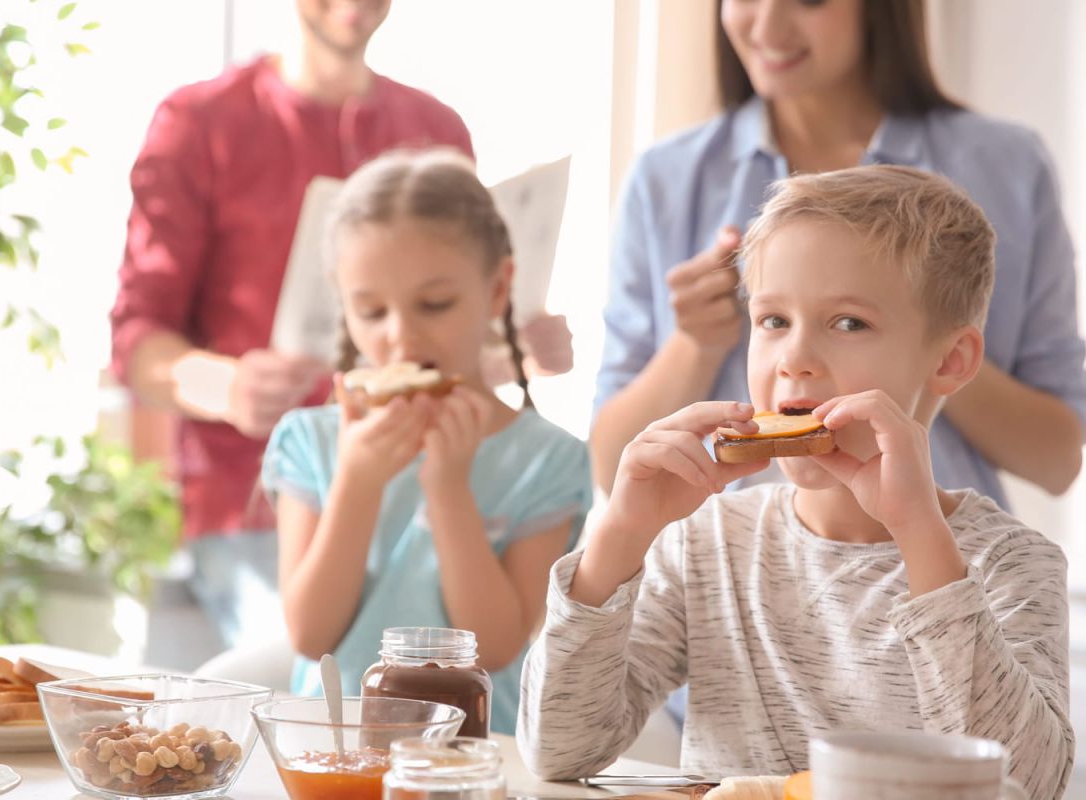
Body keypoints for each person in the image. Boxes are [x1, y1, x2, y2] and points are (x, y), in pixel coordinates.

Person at [519, 166, 1073, 800]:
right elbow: (558, 750)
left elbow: (1026, 782)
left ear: (949, 360)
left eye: (848, 324)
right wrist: (620, 533)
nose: (794, 357)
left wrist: (919, 533)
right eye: (773, 320)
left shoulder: (1009, 563)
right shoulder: (707, 545)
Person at [109, 0, 571, 652]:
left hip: (453, 481)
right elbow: (136, 339)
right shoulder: (200, 122)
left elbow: (449, 324)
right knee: (316, 660)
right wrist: (231, 387)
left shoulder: (437, 127)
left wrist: (509, 342)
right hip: (257, 502)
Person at [591, 0, 1086, 508]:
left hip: (942, 566)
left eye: (807, 1)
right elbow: (612, 470)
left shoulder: (1007, 166)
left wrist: (921, 332)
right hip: (727, 578)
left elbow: (1057, 459)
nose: (767, 26)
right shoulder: (663, 179)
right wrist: (695, 343)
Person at [261, 150, 592, 735]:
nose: (401, 336)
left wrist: (447, 489)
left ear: (497, 290)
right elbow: (311, 636)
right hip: (334, 751)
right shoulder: (311, 440)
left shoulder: (547, 460)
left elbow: (493, 648)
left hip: (474, 758)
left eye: (435, 304)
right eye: (370, 310)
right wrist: (356, 482)